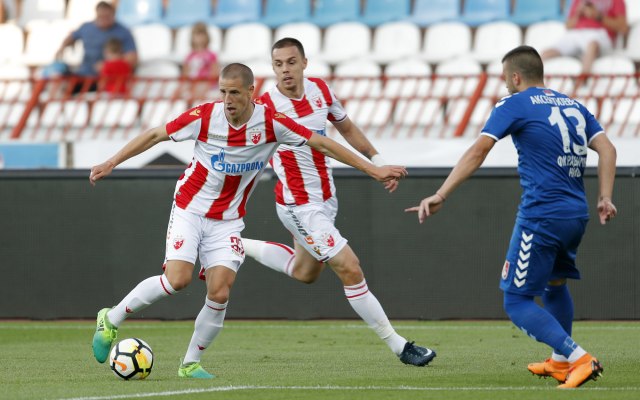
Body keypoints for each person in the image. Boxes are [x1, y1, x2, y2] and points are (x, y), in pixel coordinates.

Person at [88, 63, 407, 379]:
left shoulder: (271, 123)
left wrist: (374, 169)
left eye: (235, 93)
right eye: (224, 91)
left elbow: (322, 142)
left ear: (251, 92)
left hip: (227, 220)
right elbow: (156, 134)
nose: (228, 99)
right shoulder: (204, 117)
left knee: (220, 291)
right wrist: (112, 161)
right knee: (178, 280)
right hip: (191, 208)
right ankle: (111, 319)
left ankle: (189, 364)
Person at [406, 45, 617, 388]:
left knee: (516, 300)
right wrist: (605, 196)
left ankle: (579, 357)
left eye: (506, 79)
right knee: (555, 284)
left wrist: (441, 193)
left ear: (515, 77)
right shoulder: (574, 105)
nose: (505, 85)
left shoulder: (513, 103)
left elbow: (479, 149)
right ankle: (562, 362)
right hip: (576, 214)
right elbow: (608, 148)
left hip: (541, 214)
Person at [240, 38, 436, 367]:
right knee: (350, 267)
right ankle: (400, 346)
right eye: (278, 64)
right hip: (298, 205)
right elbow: (259, 153)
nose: (285, 70)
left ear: (304, 62)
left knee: (304, 272)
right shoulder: (265, 108)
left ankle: (235, 244)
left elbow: (346, 128)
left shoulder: (321, 90)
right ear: (272, 68)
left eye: (291, 62)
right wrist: (373, 170)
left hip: (326, 199)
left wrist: (379, 159)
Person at [54, 1, 137, 92]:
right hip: (84, 74)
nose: (104, 20)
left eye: (107, 17)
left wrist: (108, 66)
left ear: (113, 15)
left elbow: (132, 59)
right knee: (59, 79)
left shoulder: (123, 32)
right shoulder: (87, 27)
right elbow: (72, 36)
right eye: (101, 17)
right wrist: (61, 48)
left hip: (106, 80)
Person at [542, 0, 628, 75]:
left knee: (592, 45)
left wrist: (598, 16)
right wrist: (577, 13)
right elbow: (568, 26)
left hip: (601, 34)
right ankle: (530, 81)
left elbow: (623, 28)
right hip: (576, 33)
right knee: (547, 52)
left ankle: (580, 85)